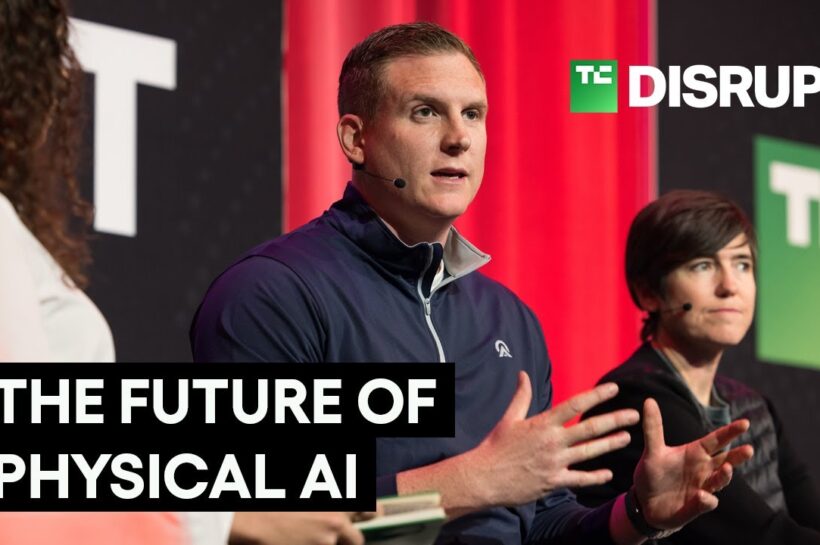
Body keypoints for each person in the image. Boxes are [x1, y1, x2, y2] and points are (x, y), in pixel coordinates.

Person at [192, 23, 754, 544]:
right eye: (425, 112)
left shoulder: (511, 319)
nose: (459, 138)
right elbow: (267, 517)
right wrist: (469, 482)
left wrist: (634, 514)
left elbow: (540, 522)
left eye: (474, 114)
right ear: (356, 139)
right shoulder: (271, 294)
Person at [575, 190, 820, 544]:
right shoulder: (637, 397)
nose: (730, 286)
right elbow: (756, 534)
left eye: (742, 264)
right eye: (703, 266)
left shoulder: (753, 405)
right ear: (648, 293)